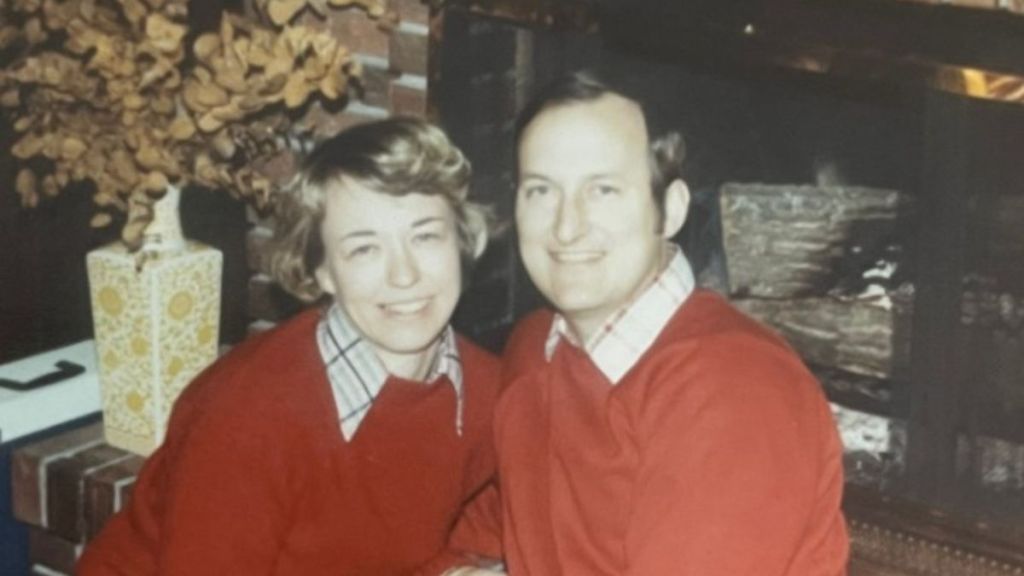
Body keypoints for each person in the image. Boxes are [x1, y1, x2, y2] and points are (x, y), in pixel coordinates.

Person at [452, 71, 850, 575]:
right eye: (541, 191)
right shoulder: (537, 346)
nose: (566, 226)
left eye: (603, 190)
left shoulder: (736, 389)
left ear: (672, 209)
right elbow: (479, 532)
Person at [78, 117, 501, 576]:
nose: (404, 275)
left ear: (460, 241)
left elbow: (493, 523)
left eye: (425, 236)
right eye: (364, 249)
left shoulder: (488, 389)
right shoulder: (249, 417)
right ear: (320, 271)